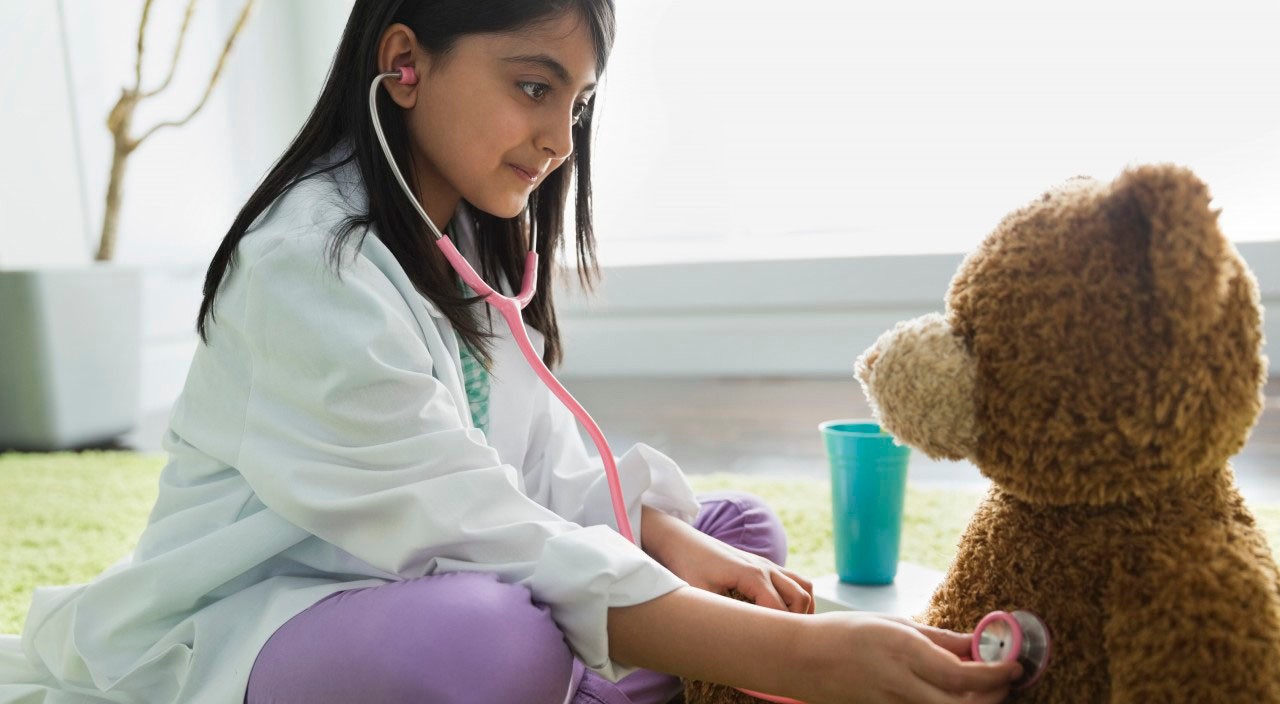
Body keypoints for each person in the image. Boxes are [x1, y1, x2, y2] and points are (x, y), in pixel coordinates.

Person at [0, 1, 1022, 703]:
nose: (560, 139)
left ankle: (601, 662)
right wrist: (806, 655)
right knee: (496, 641)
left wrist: (674, 540)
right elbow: (482, 523)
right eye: (533, 88)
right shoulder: (304, 268)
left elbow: (535, 470)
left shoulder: (462, 245)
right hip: (277, 607)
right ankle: (587, 669)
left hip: (465, 556)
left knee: (736, 535)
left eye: (573, 102)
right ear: (402, 64)